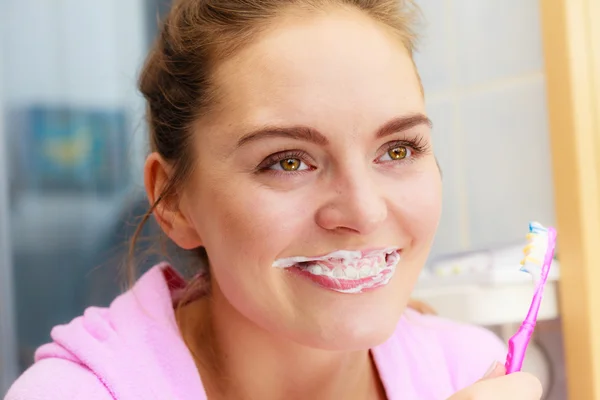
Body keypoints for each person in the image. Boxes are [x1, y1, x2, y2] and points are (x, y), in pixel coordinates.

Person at [5, 0, 543, 399]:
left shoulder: (474, 373)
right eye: (288, 161)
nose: (364, 211)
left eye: (398, 149)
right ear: (172, 201)